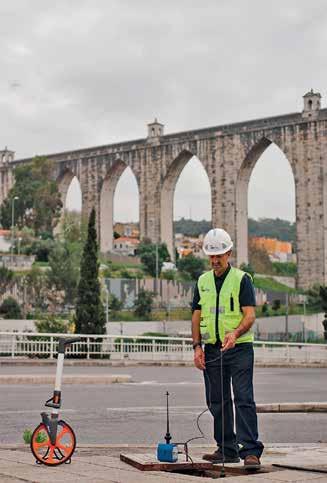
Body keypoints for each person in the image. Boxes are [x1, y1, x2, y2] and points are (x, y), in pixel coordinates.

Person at [192, 228, 264, 470]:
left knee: (243, 398)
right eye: (211, 256)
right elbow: (196, 315)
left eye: (219, 256)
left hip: (239, 348)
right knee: (217, 400)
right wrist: (196, 347)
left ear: (229, 253)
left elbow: (250, 315)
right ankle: (227, 448)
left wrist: (235, 334)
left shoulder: (241, 279)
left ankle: (251, 451)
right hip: (212, 350)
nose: (215, 261)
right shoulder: (202, 282)